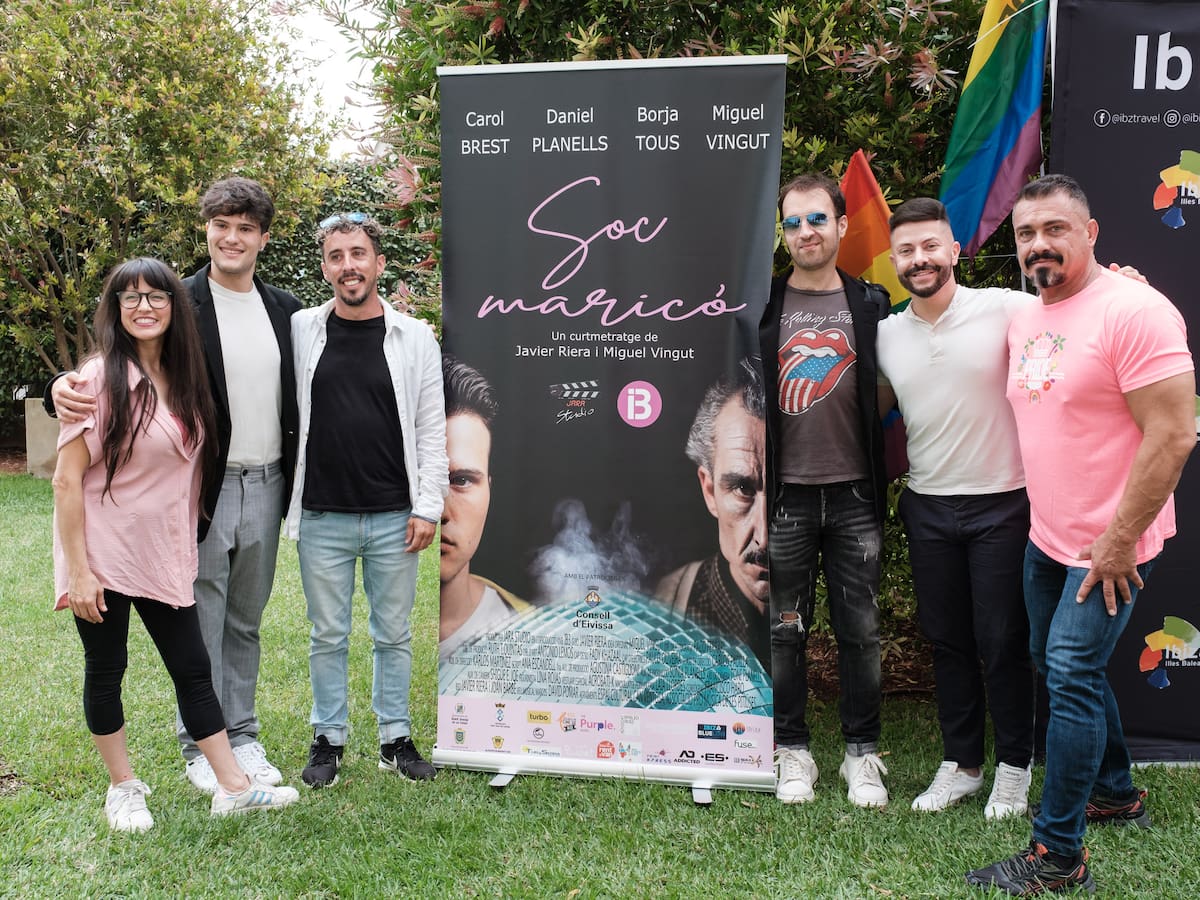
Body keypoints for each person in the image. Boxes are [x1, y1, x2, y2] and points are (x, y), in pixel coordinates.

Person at [967, 174, 1194, 895]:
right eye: (1026, 233)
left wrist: (1120, 540)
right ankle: (1116, 792)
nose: (1039, 244)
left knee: (1068, 674)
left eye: (1055, 229)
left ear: (1090, 233)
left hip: (1110, 546)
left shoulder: (1135, 310)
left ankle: (1058, 854)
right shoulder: (1028, 315)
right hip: (1048, 537)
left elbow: (1175, 433)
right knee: (1061, 665)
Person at [50, 177, 299, 793]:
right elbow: (114, 361)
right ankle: (200, 752)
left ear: (263, 239)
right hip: (204, 487)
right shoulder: (176, 300)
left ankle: (242, 738)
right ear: (206, 230)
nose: (232, 238)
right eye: (222, 225)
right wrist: (62, 385)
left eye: (246, 228)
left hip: (265, 480)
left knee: (245, 619)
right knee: (198, 622)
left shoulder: (287, 311)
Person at [876, 198, 1035, 819]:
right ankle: (962, 765)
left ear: (954, 250)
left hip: (1004, 504)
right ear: (894, 261)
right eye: (907, 251)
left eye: (930, 246)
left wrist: (1122, 281)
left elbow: (1079, 313)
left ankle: (1015, 768)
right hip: (929, 506)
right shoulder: (886, 334)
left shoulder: (1007, 308)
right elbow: (866, 404)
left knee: (1003, 641)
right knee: (947, 642)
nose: (920, 259)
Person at [287, 212, 448, 788]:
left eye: (358, 254)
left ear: (379, 263)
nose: (348, 266)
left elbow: (432, 428)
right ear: (324, 268)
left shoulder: (414, 337)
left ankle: (394, 739)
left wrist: (428, 506)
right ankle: (328, 739)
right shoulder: (302, 328)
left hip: (394, 516)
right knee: (327, 635)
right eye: (336, 256)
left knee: (393, 634)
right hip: (321, 513)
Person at [758, 173, 892, 806]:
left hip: (855, 497)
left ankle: (861, 754)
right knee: (785, 630)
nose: (804, 232)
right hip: (784, 496)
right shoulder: (763, 305)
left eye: (816, 219)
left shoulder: (872, 304)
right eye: (792, 222)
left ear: (841, 225)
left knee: (860, 632)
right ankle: (792, 750)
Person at [654, 358, 769, 668]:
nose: (765, 537)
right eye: (743, 489)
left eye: (786, 492)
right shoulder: (660, 609)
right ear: (709, 491)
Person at [439, 354, 530, 662]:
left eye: (462, 480)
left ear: (490, 488)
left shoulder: (533, 635)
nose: (440, 512)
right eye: (418, 478)